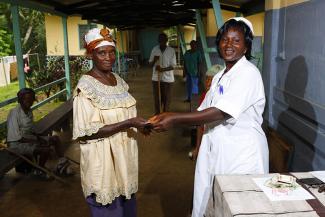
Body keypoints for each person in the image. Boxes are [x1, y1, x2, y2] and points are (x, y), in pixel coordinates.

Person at [149, 17, 269, 217]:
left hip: (241, 152)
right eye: (225, 39)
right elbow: (202, 112)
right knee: (210, 201)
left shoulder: (249, 73)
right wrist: (164, 119)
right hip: (218, 147)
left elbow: (220, 112)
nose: (229, 45)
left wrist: (175, 118)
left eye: (236, 40)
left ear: (246, 47)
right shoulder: (221, 74)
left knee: (237, 206)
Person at [73, 27, 148, 217]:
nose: (108, 57)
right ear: (91, 55)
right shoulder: (86, 88)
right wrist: (129, 123)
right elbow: (87, 132)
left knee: (128, 210)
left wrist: (140, 125)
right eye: (101, 52)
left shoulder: (119, 81)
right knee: (109, 210)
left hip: (125, 162)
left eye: (112, 51)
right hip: (103, 164)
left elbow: (125, 113)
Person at [6, 88, 70, 176]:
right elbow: (17, 138)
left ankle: (62, 163)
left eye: (31, 99)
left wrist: (39, 138)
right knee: (46, 150)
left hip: (28, 139)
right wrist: (37, 141)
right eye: (26, 99)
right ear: (20, 99)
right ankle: (39, 169)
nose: (29, 101)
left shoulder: (28, 111)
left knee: (55, 139)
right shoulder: (14, 113)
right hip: (16, 144)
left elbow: (30, 130)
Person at [149, 33, 177, 114]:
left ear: (166, 40)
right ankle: (157, 115)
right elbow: (150, 64)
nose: (161, 41)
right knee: (157, 99)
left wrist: (162, 69)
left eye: (163, 40)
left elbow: (173, 66)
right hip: (156, 79)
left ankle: (165, 115)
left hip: (168, 80)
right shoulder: (155, 49)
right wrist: (154, 60)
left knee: (167, 99)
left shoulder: (171, 50)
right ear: (158, 40)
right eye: (160, 40)